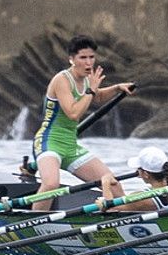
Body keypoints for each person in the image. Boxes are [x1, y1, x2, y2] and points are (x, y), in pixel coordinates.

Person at [30, 35, 135, 211]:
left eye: (91, 57)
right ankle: (34, 225)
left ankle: (123, 224)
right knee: (51, 185)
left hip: (70, 145)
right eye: (83, 58)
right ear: (71, 59)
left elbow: (98, 96)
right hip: (49, 142)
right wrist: (91, 90)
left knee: (114, 185)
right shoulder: (61, 80)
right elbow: (73, 113)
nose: (88, 63)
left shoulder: (87, 79)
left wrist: (117, 88)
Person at [96, 146, 168, 212]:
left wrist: (105, 183)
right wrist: (163, 175)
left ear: (146, 174)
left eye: (139, 169)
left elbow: (110, 209)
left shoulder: (139, 197)